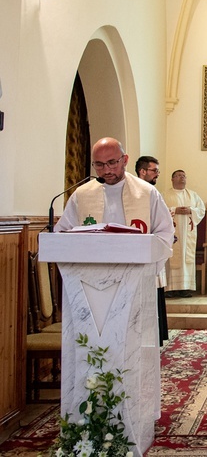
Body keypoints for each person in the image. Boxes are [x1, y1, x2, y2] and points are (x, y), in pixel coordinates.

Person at [55, 137, 174, 340]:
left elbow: (164, 233)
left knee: (132, 342)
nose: (107, 170)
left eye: (112, 163)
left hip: (135, 279)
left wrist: (149, 268)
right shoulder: (82, 194)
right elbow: (62, 234)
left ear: (125, 159)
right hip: (91, 282)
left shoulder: (147, 193)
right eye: (99, 165)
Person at [135, 155, 169, 343]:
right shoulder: (137, 193)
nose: (157, 174)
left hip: (150, 247)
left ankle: (155, 336)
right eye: (154, 170)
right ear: (143, 171)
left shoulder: (151, 192)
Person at [164, 170, 206, 299]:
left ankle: (185, 288)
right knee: (172, 257)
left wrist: (190, 210)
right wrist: (174, 210)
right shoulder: (165, 195)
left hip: (188, 233)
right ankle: (169, 288)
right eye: (178, 176)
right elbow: (160, 211)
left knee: (186, 257)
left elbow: (201, 210)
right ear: (172, 179)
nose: (182, 178)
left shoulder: (193, 195)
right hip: (173, 233)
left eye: (183, 176)